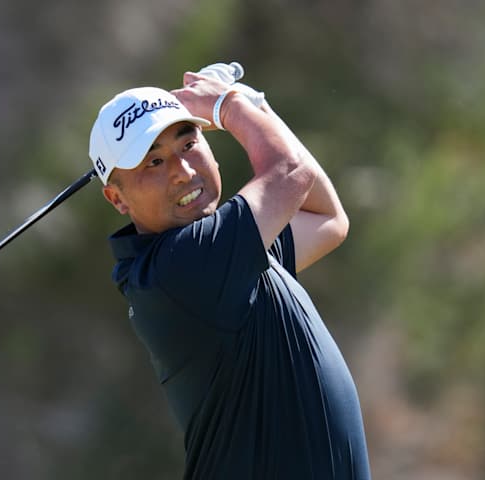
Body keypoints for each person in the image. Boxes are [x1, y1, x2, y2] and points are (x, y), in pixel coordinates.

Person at [88, 64, 371, 479]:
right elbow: (291, 173)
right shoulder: (181, 269)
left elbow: (325, 217)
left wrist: (256, 109)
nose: (182, 171)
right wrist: (229, 105)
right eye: (153, 162)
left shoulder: (222, 254)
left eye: (188, 144)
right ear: (117, 199)